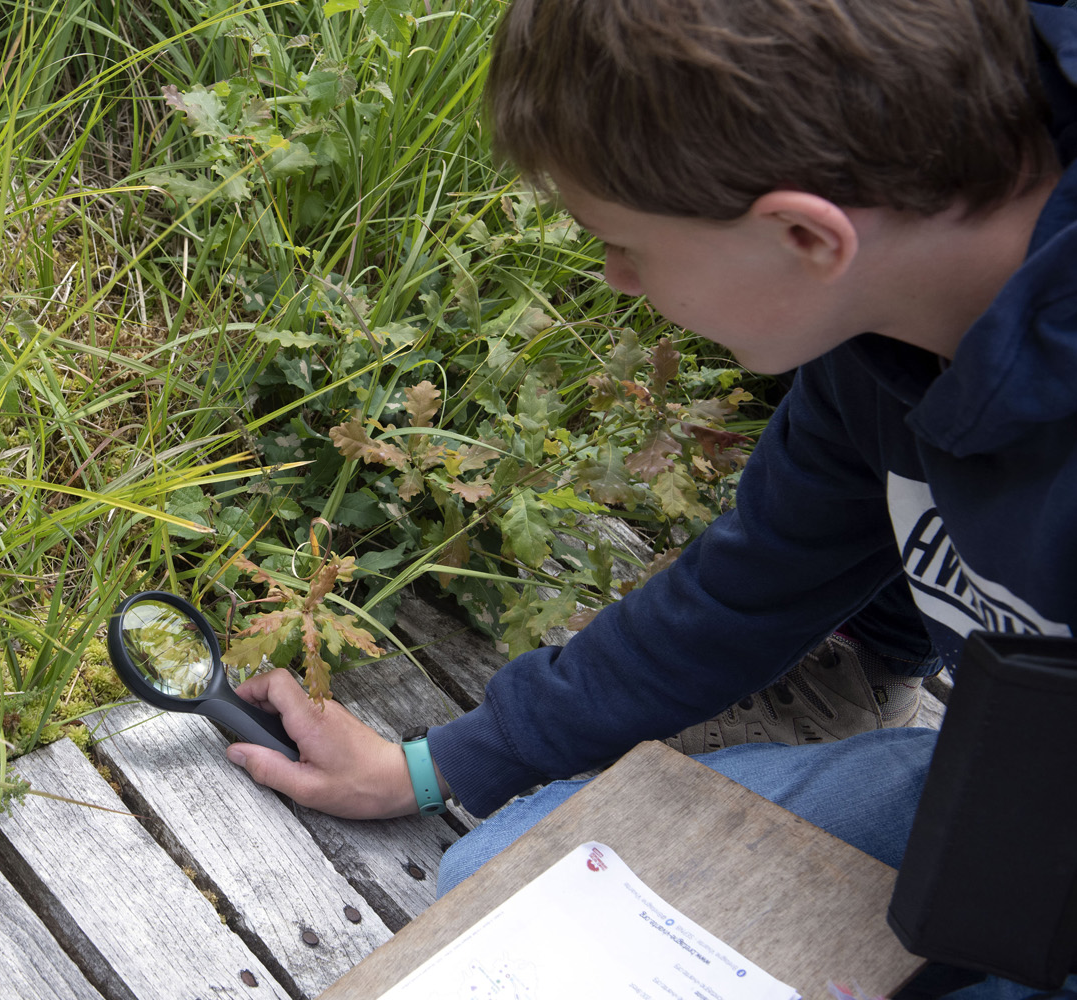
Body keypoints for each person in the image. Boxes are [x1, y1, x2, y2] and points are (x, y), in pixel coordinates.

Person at [224, 0, 1077, 995]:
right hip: (1017, 786)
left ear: (806, 236)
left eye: (626, 243)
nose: (615, 279)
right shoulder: (878, 337)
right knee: (507, 877)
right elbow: (746, 587)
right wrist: (429, 766)